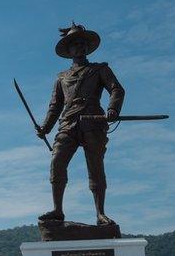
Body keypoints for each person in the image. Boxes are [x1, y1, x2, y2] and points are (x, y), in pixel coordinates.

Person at [35, 23, 124, 225]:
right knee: (57, 162)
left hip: (93, 122)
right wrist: (45, 128)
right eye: (75, 44)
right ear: (69, 50)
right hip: (68, 123)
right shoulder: (61, 77)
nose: (80, 47)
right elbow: (55, 105)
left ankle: (100, 214)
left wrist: (113, 109)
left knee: (95, 167)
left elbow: (117, 89)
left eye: (83, 43)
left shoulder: (99, 69)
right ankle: (58, 210)